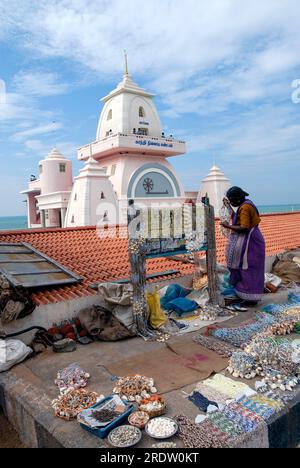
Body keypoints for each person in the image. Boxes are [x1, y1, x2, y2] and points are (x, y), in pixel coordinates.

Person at [220, 187, 266, 306]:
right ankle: (246, 295)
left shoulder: (245, 207)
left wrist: (227, 226)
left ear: (238, 198)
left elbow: (244, 227)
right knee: (247, 268)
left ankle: (250, 298)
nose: (231, 203)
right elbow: (238, 218)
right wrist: (228, 207)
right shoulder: (245, 205)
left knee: (248, 268)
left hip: (251, 242)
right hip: (251, 239)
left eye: (231, 201)